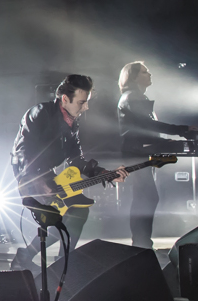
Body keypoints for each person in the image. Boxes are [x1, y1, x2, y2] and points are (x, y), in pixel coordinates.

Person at [11, 74, 126, 255]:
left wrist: (103, 172)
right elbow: (23, 152)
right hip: (28, 177)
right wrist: (39, 180)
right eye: (81, 102)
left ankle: (63, 261)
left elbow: (76, 160)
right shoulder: (40, 112)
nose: (86, 107)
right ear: (65, 99)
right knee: (58, 218)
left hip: (48, 175)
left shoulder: (72, 123)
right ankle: (32, 257)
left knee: (79, 212)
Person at [117, 61, 194, 250]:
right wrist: (180, 130)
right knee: (147, 197)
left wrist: (163, 142)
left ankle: (142, 243)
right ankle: (142, 243)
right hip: (137, 154)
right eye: (145, 72)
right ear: (133, 77)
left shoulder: (135, 97)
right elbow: (147, 126)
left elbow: (144, 129)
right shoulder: (133, 97)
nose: (149, 74)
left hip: (139, 152)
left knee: (145, 197)